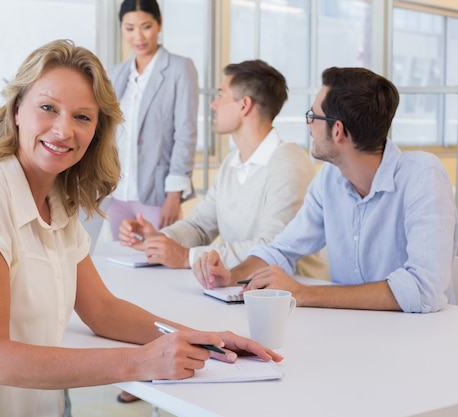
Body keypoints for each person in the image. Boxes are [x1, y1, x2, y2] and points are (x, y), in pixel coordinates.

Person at [0, 40, 282, 417]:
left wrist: (208, 339)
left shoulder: (57, 204)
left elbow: (102, 310)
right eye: (48, 108)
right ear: (16, 111)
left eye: (82, 117)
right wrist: (140, 362)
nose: (64, 130)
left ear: (97, 130)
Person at [193, 66, 458, 313]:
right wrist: (232, 275)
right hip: (348, 332)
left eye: (313, 116)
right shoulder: (330, 179)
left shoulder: (422, 176)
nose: (308, 125)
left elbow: (424, 289)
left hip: (419, 342)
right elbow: (281, 250)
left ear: (338, 130)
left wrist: (304, 293)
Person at [118, 60, 325, 280]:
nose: (213, 105)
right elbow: (199, 226)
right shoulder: (231, 163)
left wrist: (187, 256)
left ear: (244, 105)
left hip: (293, 298)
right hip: (244, 290)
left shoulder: (289, 163)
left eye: (220, 95)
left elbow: (273, 247)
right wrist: (159, 239)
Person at [107, 0, 198, 239]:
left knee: (156, 266)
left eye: (146, 26)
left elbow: (185, 134)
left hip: (156, 194)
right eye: (129, 28)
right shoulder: (116, 73)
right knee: (119, 266)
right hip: (117, 195)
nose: (138, 36)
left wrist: (174, 195)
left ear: (159, 24)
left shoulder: (180, 68)